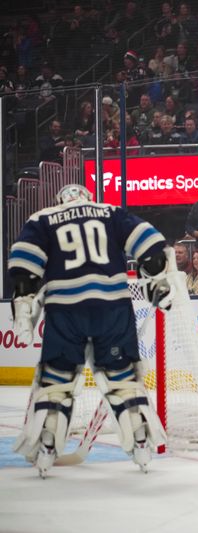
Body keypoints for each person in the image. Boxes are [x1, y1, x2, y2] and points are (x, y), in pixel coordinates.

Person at [10, 184, 169, 476]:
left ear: (61, 200)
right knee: (123, 380)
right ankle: (141, 441)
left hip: (65, 308)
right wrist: (157, 280)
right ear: (87, 197)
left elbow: (24, 263)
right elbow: (150, 245)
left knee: (57, 381)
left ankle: (47, 446)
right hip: (113, 307)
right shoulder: (110, 212)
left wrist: (23, 302)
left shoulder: (44, 217)